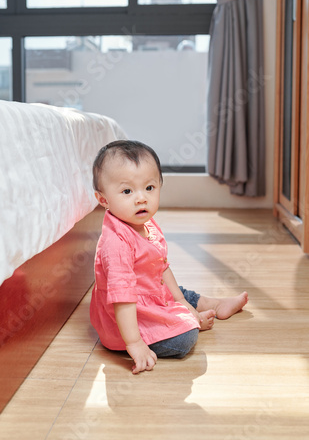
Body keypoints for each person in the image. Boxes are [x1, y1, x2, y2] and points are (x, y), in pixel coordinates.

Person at [90, 140, 248, 374]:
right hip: (126, 317)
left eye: (150, 188)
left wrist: (182, 303)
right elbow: (123, 299)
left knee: (175, 289)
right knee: (184, 340)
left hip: (148, 292)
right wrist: (135, 344)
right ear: (104, 200)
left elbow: (161, 267)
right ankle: (191, 321)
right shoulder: (117, 243)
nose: (141, 198)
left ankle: (214, 304)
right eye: (127, 191)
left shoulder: (146, 223)